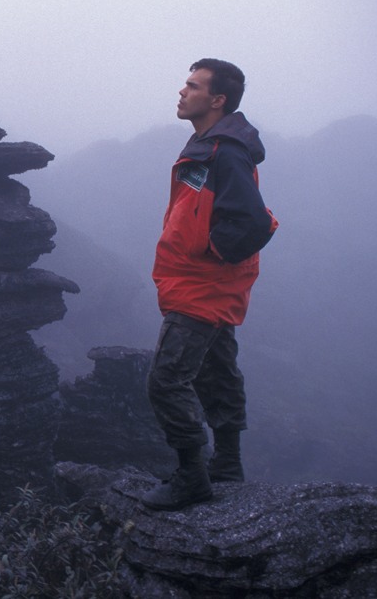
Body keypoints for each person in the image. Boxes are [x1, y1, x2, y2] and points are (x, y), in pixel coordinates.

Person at [140, 58, 278, 511]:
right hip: (198, 281)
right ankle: (227, 464)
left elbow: (255, 222)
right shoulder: (207, 144)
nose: (182, 91)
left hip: (202, 286)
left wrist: (211, 255)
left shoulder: (226, 152)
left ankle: (191, 476)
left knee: (166, 380)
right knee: (216, 372)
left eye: (193, 85)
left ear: (217, 100)